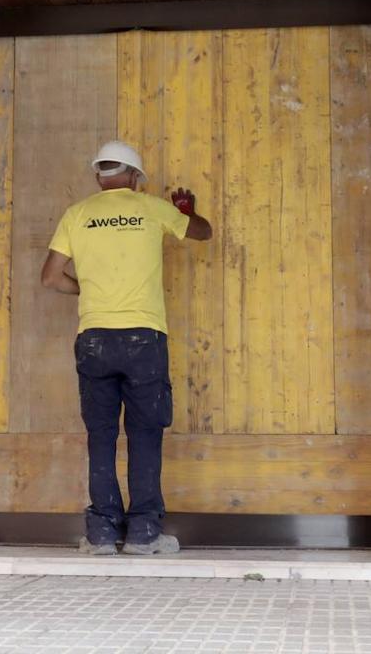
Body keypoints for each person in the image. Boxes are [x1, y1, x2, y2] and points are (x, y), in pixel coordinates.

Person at [40, 140, 213, 556]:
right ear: (136, 177)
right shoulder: (152, 208)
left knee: (100, 436)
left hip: (95, 337)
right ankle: (143, 534)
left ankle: (100, 533)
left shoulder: (77, 214)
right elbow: (203, 233)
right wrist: (185, 212)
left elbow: (50, 277)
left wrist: (89, 290)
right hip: (143, 338)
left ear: (99, 176)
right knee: (144, 434)